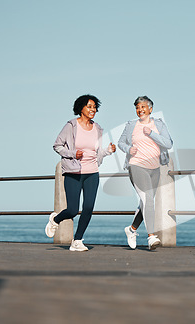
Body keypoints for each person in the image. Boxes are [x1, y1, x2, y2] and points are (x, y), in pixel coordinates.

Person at [46, 94, 116, 251]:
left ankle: (77, 240)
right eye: (89, 106)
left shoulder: (97, 128)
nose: (93, 110)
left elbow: (96, 152)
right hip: (73, 171)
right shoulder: (71, 126)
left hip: (92, 172)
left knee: (89, 207)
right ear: (81, 108)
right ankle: (55, 219)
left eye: (94, 107)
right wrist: (72, 153)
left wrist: (108, 151)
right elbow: (57, 146)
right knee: (72, 210)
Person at [118, 96, 173, 250]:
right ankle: (151, 237)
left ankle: (132, 229)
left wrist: (152, 134)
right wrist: (129, 149)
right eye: (137, 107)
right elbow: (121, 142)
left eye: (143, 107)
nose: (140, 110)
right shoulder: (131, 126)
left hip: (155, 168)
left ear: (150, 109)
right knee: (148, 200)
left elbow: (168, 143)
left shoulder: (159, 125)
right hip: (136, 165)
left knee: (145, 203)